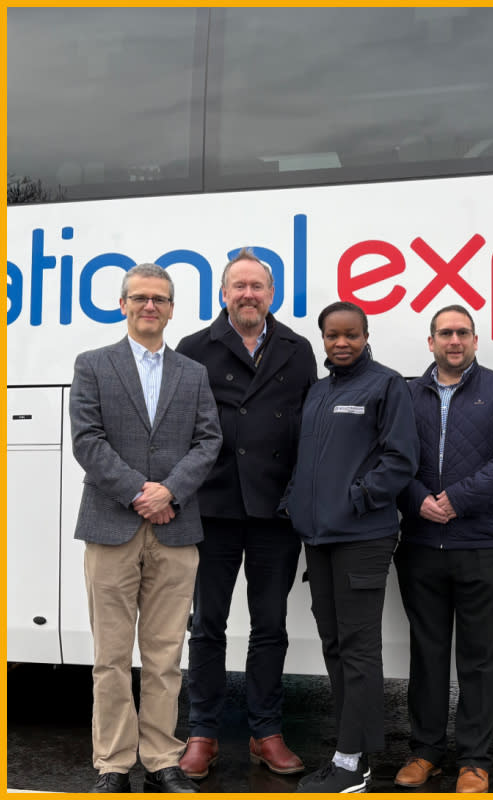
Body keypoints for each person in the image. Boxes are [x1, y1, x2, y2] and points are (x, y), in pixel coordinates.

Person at [69, 263, 222, 793]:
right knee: (110, 657)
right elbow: (87, 440)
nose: (149, 306)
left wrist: (170, 491)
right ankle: (112, 763)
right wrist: (141, 492)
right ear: (123, 304)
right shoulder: (93, 365)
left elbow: (209, 442)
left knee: (164, 656)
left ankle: (161, 758)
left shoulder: (193, 373)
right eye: (139, 297)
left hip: (176, 531)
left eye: (159, 298)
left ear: (173, 308)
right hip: (111, 526)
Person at [175, 249, 317, 780]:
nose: (248, 294)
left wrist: (300, 497)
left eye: (257, 286)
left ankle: (266, 732)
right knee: (206, 626)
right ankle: (202, 733)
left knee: (270, 625)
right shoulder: (193, 349)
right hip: (211, 508)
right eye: (239, 286)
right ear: (223, 294)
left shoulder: (298, 350)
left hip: (275, 512)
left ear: (272, 294)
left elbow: (307, 431)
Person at [393, 305, 493, 794]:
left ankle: (475, 760)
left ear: (476, 340)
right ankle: (425, 751)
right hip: (419, 543)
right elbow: (389, 458)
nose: (454, 340)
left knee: (479, 656)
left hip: (482, 544)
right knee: (426, 652)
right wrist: (417, 500)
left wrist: (455, 500)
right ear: (430, 342)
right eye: (445, 333)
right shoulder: (407, 394)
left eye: (462, 333)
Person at [281, 301, 418, 793]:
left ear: (365, 335)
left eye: (351, 335)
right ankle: (347, 753)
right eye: (333, 335)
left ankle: (352, 763)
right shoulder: (318, 392)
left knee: (358, 651)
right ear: (322, 339)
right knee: (335, 646)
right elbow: (306, 459)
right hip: (318, 539)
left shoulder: (386, 385)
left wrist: (357, 498)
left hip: (362, 537)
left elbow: (401, 460)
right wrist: (294, 502)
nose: (342, 343)